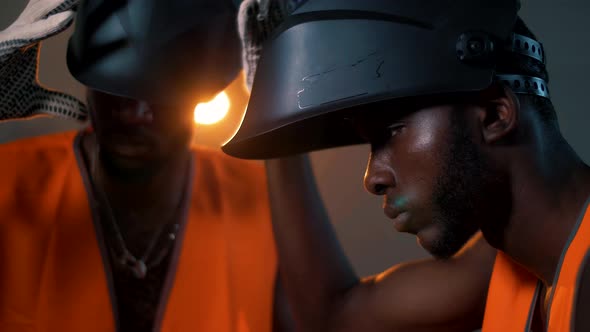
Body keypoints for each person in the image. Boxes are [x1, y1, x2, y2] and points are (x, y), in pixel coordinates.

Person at [224, 0, 590, 331]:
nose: (372, 178)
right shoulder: (509, 258)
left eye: (394, 130)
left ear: (495, 115)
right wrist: (275, 97)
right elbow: (335, 317)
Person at [0, 0, 291, 331]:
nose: (135, 113)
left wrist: (280, 101)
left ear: (202, 94)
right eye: (116, 89)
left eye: (160, 95)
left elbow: (321, 316)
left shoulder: (263, 204)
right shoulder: (7, 183)